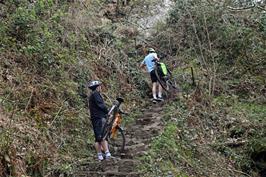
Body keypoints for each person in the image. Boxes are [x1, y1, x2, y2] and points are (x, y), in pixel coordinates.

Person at [88, 80, 111, 161]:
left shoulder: (92, 95)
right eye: (100, 86)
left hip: (95, 118)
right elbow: (101, 105)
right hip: (99, 118)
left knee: (98, 137)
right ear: (97, 87)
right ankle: (107, 153)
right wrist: (107, 111)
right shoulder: (95, 94)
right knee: (102, 135)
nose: (101, 88)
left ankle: (100, 155)